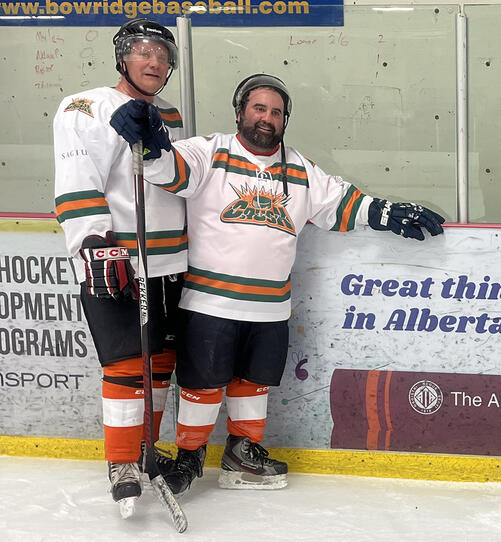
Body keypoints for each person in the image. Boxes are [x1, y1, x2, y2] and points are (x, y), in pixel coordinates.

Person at [108, 73, 446, 496]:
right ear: (240, 112)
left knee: (254, 382)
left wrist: (387, 212)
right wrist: (153, 141)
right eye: (259, 109)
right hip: (210, 304)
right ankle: (190, 457)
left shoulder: (301, 169)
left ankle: (241, 452)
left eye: (276, 112)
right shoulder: (209, 152)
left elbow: (343, 203)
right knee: (201, 385)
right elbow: (169, 170)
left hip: (270, 307)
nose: (267, 118)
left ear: (285, 120)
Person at [52, 18, 185, 517]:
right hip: (119, 260)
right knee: (128, 366)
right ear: (122, 57)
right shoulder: (84, 106)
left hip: (172, 263)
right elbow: (77, 182)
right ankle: (123, 462)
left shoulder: (168, 111)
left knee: (160, 366)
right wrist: (93, 245)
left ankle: (148, 450)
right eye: (143, 51)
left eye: (163, 54)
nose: (154, 62)